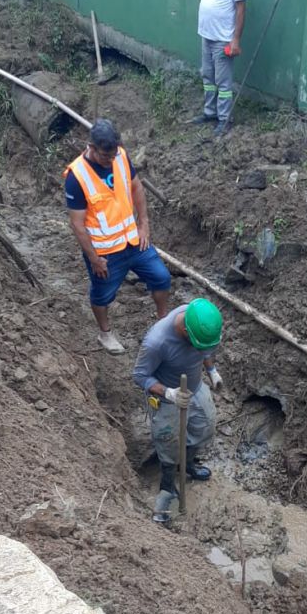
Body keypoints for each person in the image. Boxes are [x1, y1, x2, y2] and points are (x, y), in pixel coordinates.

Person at [65, 119, 171, 354]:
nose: (110, 160)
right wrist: (94, 258)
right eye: (105, 156)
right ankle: (105, 334)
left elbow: (137, 188)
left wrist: (144, 224)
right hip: (105, 253)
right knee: (102, 295)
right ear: (91, 147)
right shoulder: (77, 176)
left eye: (113, 155)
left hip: (133, 241)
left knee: (162, 277)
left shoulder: (120, 156)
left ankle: (162, 322)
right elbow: (77, 224)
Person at [133, 298, 224, 522]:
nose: (200, 349)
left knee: (205, 426)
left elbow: (205, 349)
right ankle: (167, 485)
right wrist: (169, 393)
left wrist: (212, 371)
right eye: (196, 343)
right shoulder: (157, 342)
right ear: (185, 331)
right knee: (168, 441)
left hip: (195, 387)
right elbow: (140, 375)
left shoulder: (200, 318)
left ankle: (187, 464)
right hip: (167, 397)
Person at [194, 0, 246, 136]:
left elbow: (241, 9)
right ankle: (210, 113)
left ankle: (224, 119)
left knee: (223, 83)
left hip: (223, 39)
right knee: (208, 77)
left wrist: (235, 40)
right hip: (206, 35)